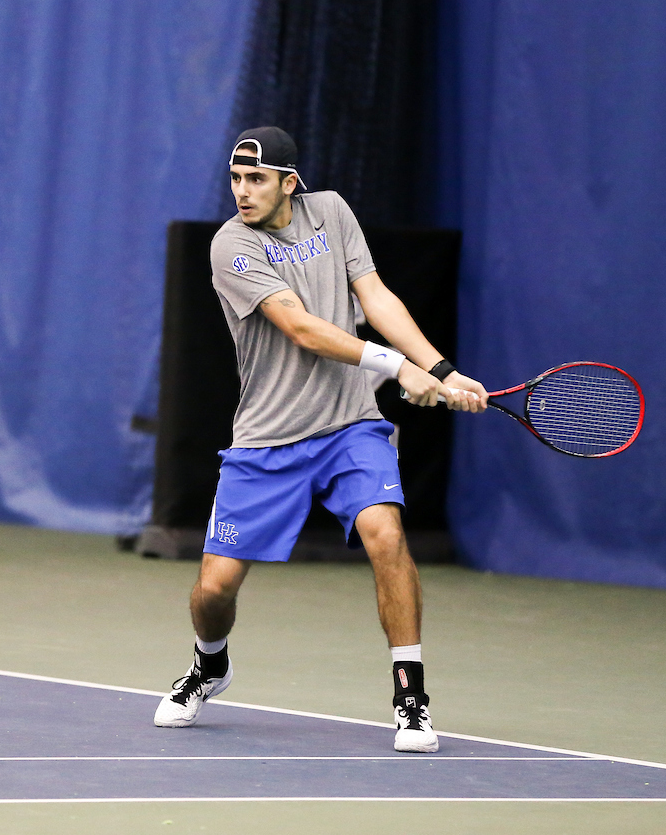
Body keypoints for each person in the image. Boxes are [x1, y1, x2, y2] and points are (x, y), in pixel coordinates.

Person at [153, 126, 488, 752]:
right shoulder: (232, 245)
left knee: (386, 535)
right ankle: (209, 663)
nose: (242, 191)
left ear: (289, 182)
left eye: (256, 179)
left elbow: (375, 297)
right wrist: (398, 368)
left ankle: (410, 698)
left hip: (349, 425)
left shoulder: (331, 211)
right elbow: (302, 329)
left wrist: (441, 370)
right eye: (235, 179)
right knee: (214, 590)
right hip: (267, 439)